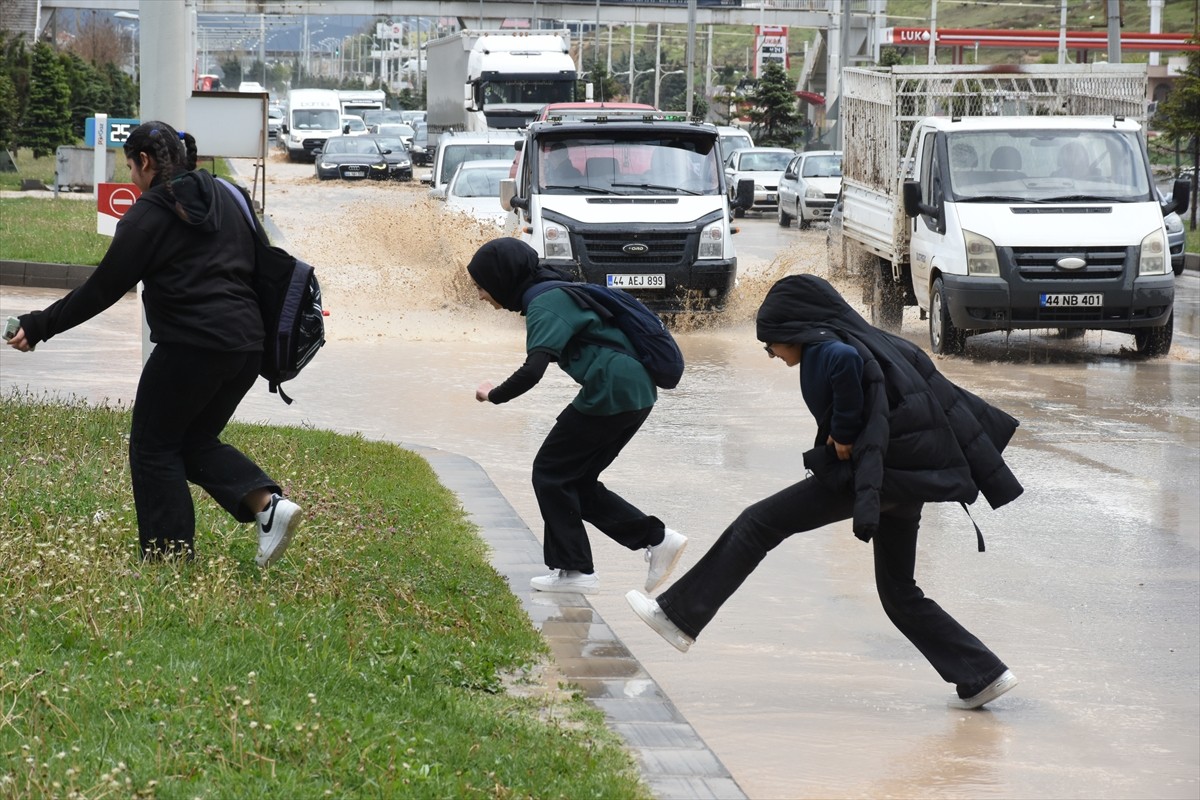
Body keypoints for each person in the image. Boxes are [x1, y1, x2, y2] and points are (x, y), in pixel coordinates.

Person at [626, 274, 1024, 710]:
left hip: (879, 474)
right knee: (899, 592)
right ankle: (982, 674)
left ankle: (678, 617)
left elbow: (843, 363)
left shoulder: (825, 349)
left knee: (757, 523)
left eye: (771, 343)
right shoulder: (882, 341)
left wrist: (843, 431)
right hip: (909, 477)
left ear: (794, 331)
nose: (772, 354)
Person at [4, 120, 302, 566]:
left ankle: (168, 561)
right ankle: (268, 507)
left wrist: (40, 325)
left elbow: (102, 290)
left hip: (191, 348)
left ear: (145, 162)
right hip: (246, 348)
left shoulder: (148, 214)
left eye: (129, 166)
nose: (129, 178)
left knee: (152, 447)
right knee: (190, 439)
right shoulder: (228, 195)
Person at [468, 238, 686, 596]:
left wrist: (492, 394)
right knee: (575, 482)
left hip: (611, 390)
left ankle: (575, 571)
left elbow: (532, 371)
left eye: (481, 286)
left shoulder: (544, 303)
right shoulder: (556, 291)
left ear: (501, 278)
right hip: (634, 393)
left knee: (550, 473)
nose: (480, 295)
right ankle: (656, 539)